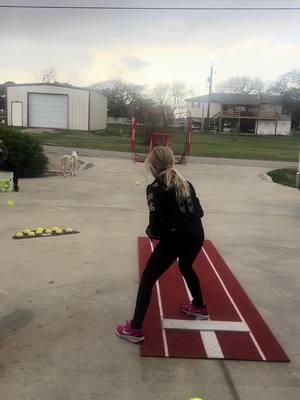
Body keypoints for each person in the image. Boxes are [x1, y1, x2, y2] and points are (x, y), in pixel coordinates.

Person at [116, 146, 208, 344]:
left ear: (152, 165)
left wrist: (153, 232)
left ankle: (135, 329)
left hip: (176, 239)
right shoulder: (187, 183)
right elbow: (199, 213)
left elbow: (155, 229)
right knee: (185, 266)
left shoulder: (155, 188)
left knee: (148, 279)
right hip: (196, 235)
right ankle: (199, 306)